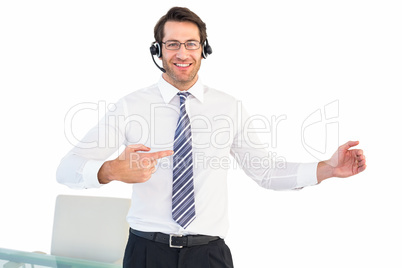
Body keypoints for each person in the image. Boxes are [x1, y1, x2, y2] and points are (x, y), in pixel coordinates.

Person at [56, 6, 366, 268]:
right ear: (158, 50)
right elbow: (67, 168)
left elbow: (266, 170)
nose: (182, 53)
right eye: (172, 44)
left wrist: (327, 168)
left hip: (209, 255)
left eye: (191, 44)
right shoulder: (129, 106)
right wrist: (109, 170)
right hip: (146, 253)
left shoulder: (228, 106)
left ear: (204, 49)